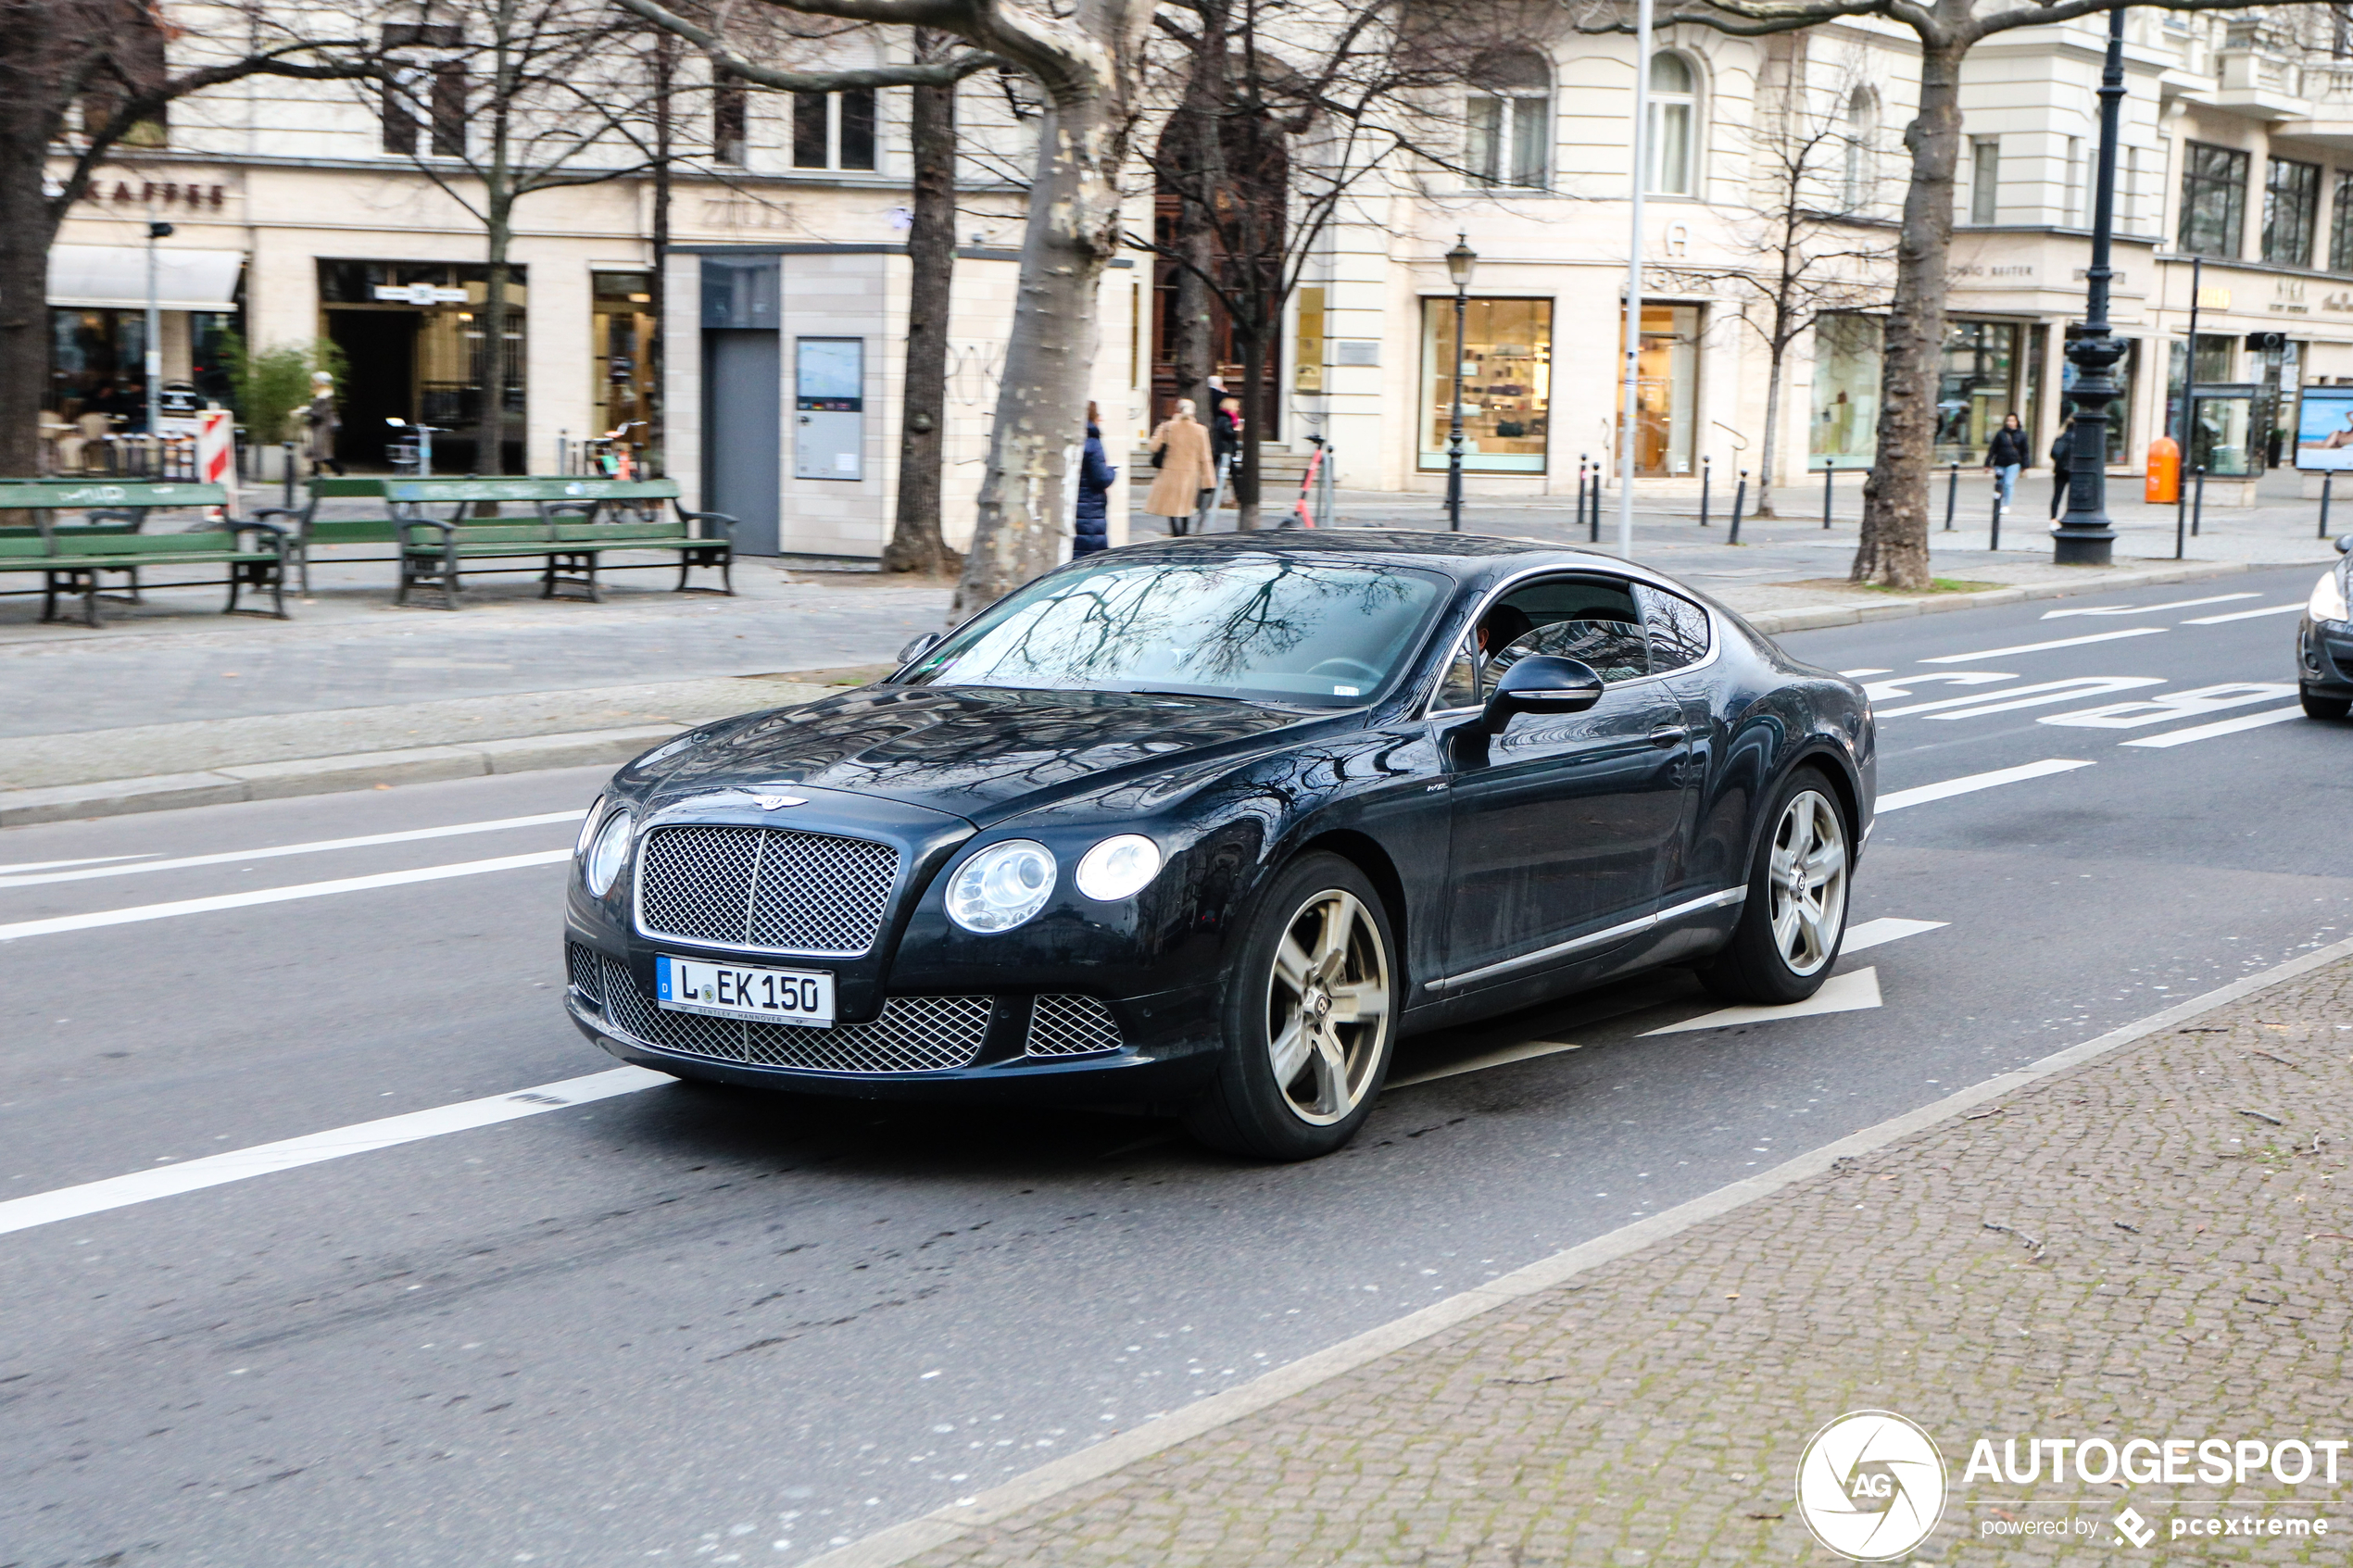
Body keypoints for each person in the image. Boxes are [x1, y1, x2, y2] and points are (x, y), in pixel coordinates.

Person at [1145, 398, 1217, 536]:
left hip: (1170, 471)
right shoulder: (1200, 430)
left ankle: (1176, 533)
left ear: (1177, 410)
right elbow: (1205, 457)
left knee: (1171, 506)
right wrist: (1208, 481)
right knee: (1186, 505)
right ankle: (1183, 533)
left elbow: (1153, 446)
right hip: (1190, 473)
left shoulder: (1167, 427)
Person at [1075, 401, 1115, 556]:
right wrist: (1112, 472)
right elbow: (1101, 478)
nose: (1101, 419)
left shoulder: (1076, 439)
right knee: (1089, 558)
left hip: (1076, 506)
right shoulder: (1093, 442)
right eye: (1098, 415)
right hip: (1090, 509)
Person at [1984, 411, 2030, 510]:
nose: (2010, 422)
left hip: (2014, 463)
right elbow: (1993, 449)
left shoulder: (2022, 435)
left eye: (2012, 420)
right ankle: (1998, 502)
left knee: (2008, 483)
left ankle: (2006, 505)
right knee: (2000, 483)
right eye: (2008, 420)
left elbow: (2025, 451)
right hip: (2000, 463)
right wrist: (1987, 463)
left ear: (2017, 422)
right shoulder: (2001, 434)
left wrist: (2025, 466)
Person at [304, 370, 346, 477]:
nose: (313, 383)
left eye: (315, 381)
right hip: (320, 426)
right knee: (317, 451)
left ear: (320, 382)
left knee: (320, 452)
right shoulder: (322, 396)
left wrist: (306, 411)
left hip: (323, 427)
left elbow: (319, 414)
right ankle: (315, 473)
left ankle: (338, 470)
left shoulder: (325, 397)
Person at [2047, 417, 2073, 520]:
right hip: (2075, 471)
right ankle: (2070, 517)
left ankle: (2053, 519)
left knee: (2057, 495)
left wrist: (2060, 461)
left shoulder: (2060, 437)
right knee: (2073, 496)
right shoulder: (2081, 439)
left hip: (2060, 470)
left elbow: (2053, 453)